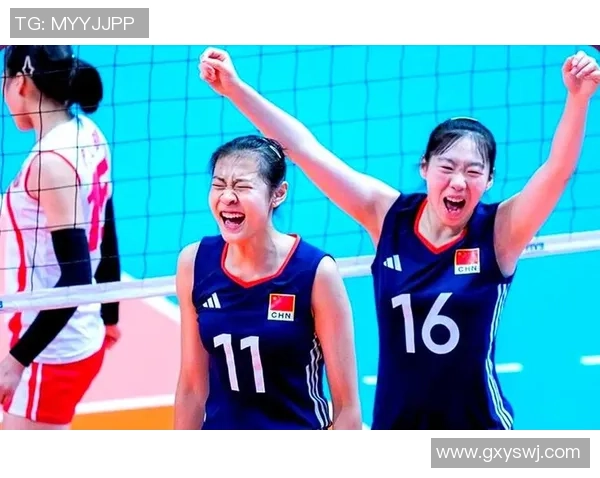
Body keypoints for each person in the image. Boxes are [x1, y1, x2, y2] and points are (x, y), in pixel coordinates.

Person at [197, 47, 600, 429]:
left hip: (477, 432)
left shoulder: (500, 232)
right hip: (396, 429)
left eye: (474, 172)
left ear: (490, 180)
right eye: (447, 167)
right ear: (425, 168)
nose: (458, 182)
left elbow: (557, 171)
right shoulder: (388, 217)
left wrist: (578, 98)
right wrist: (235, 88)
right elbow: (303, 149)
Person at [173, 134, 362, 430]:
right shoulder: (194, 263)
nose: (227, 197)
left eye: (242, 186)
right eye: (219, 185)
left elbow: (347, 406)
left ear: (278, 194)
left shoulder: (315, 272)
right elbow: (192, 388)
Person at [0, 45, 122, 430]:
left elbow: (75, 278)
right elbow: (107, 231)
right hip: (78, 333)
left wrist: (15, 362)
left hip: (49, 353)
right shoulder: (88, 133)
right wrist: (110, 315)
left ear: (22, 82)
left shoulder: (49, 163)